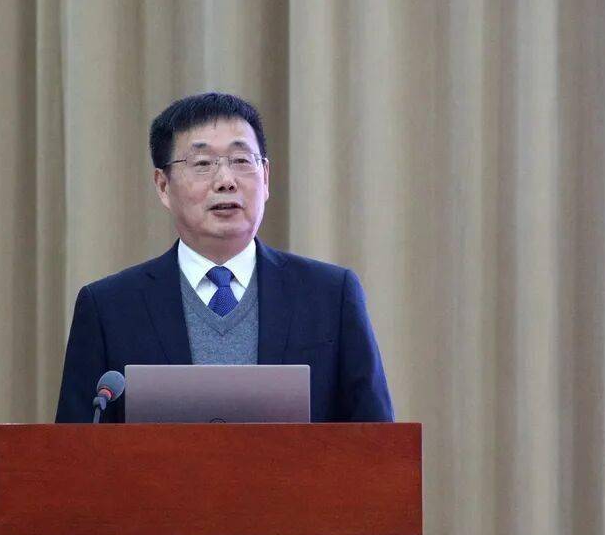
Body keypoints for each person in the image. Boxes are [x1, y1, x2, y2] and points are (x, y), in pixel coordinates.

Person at [55, 93, 394, 423]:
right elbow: (73, 450)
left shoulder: (330, 296)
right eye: (202, 164)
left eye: (241, 161)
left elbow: (378, 443)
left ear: (265, 177)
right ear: (163, 186)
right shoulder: (110, 309)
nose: (226, 181)